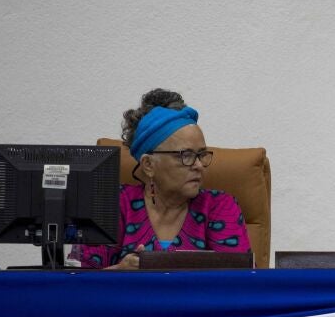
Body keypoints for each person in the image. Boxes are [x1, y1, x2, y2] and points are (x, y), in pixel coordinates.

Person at [78, 89, 251, 269]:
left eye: (201, 155)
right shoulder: (113, 203)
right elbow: (78, 281)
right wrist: (119, 272)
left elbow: (238, 280)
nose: (199, 165)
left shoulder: (219, 206)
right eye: (186, 155)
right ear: (148, 165)